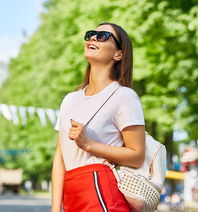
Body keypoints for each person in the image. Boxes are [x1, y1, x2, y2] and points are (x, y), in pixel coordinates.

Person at [51, 22, 146, 212]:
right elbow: (60, 159)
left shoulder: (124, 96)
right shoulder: (69, 100)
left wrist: (88, 144)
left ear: (118, 54)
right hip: (72, 197)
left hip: (102, 195)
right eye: (92, 34)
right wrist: (55, 208)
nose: (94, 38)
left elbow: (137, 155)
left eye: (103, 36)